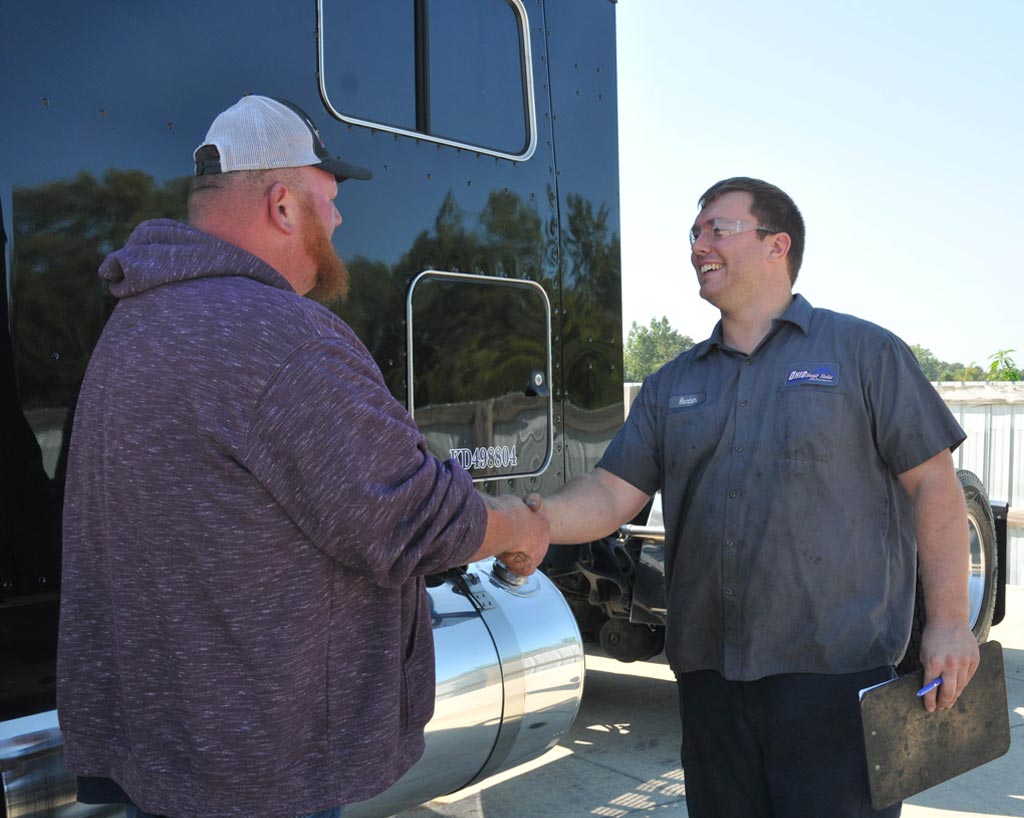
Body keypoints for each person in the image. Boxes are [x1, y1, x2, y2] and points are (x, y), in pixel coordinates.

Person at [56, 94, 549, 818]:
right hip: (257, 773)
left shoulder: (132, 326)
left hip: (158, 751)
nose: (341, 220)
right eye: (330, 198)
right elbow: (411, 517)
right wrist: (516, 525)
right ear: (284, 206)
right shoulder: (282, 335)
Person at [528, 177, 978, 817]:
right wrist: (528, 522)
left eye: (719, 228)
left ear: (777, 245)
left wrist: (950, 622)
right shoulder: (672, 383)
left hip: (837, 681)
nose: (698, 245)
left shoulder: (863, 352)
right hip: (711, 680)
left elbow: (934, 484)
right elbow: (610, 493)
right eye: (695, 232)